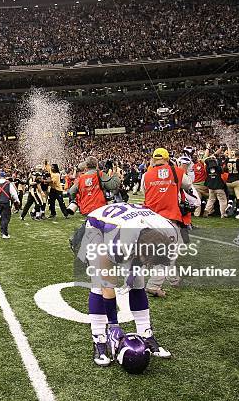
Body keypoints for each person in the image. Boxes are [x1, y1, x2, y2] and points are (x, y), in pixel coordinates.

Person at [75, 202, 173, 366]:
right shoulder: (120, 245)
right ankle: (99, 338)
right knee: (100, 284)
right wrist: (113, 324)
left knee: (137, 280)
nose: (149, 266)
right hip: (97, 228)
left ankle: (146, 333)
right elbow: (108, 285)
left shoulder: (170, 231)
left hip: (132, 226)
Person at [142, 148, 190, 297]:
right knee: (169, 253)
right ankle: (154, 285)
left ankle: (174, 279)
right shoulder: (177, 171)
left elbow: (145, 192)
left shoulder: (146, 175)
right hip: (170, 218)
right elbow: (188, 185)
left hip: (151, 218)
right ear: (167, 159)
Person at [0, 171, 20, 239]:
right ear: (5, 177)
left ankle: (2, 229)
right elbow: (13, 193)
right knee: (6, 217)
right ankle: (4, 233)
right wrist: (17, 200)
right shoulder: (8, 184)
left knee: (2, 216)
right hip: (6, 202)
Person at [203, 153, 227, 218]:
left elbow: (205, 160)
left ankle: (206, 212)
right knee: (222, 200)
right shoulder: (218, 167)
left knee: (211, 200)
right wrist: (218, 162)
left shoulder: (207, 168)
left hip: (210, 187)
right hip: (218, 186)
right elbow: (222, 171)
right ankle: (223, 214)